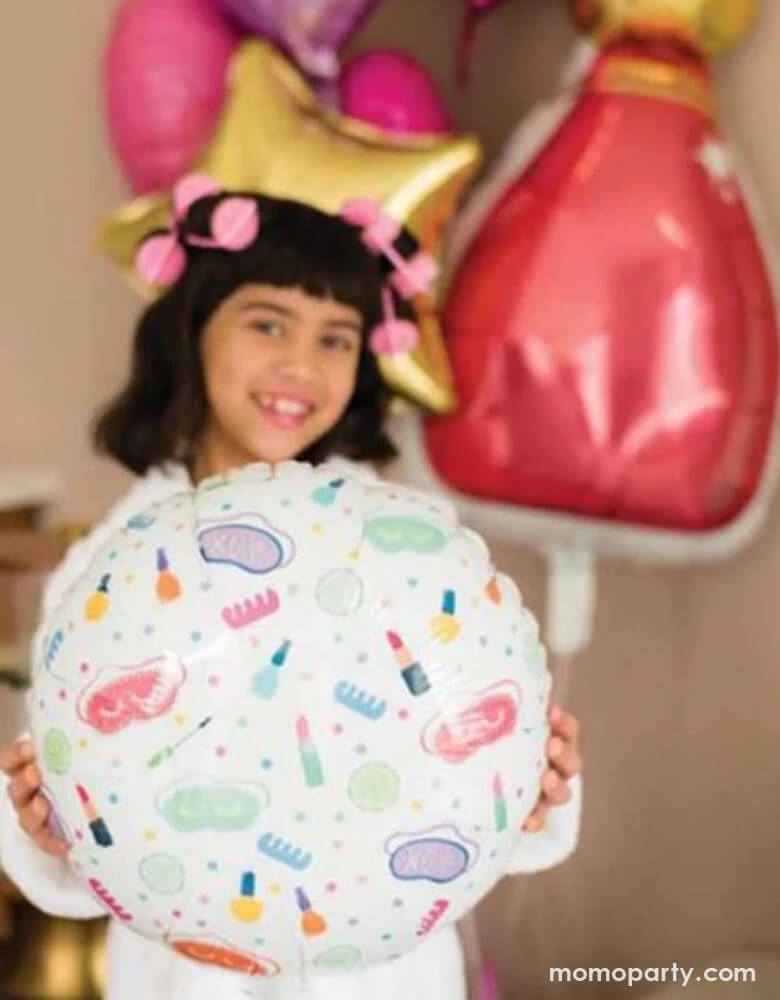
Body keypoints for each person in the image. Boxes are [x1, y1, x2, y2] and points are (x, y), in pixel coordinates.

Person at [0, 178, 583, 1000]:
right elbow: (71, 820)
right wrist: (42, 824)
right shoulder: (111, 569)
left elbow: (454, 773)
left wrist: (533, 786)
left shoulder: (405, 544)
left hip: (390, 976)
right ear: (193, 329)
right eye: (268, 323)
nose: (300, 366)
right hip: (186, 973)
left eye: (337, 339)